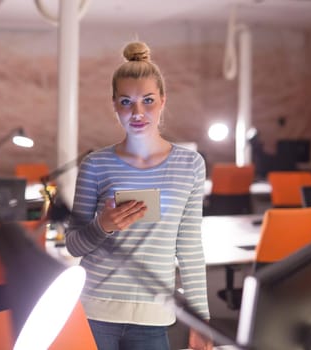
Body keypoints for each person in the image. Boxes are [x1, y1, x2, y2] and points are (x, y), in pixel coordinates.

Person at [65, 41, 212, 350]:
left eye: (147, 100)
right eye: (126, 102)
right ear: (114, 106)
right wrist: (102, 225)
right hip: (94, 310)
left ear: (162, 101)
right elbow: (73, 244)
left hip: (154, 315)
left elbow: (189, 249)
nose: (138, 112)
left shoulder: (190, 165)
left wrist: (201, 321)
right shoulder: (96, 164)